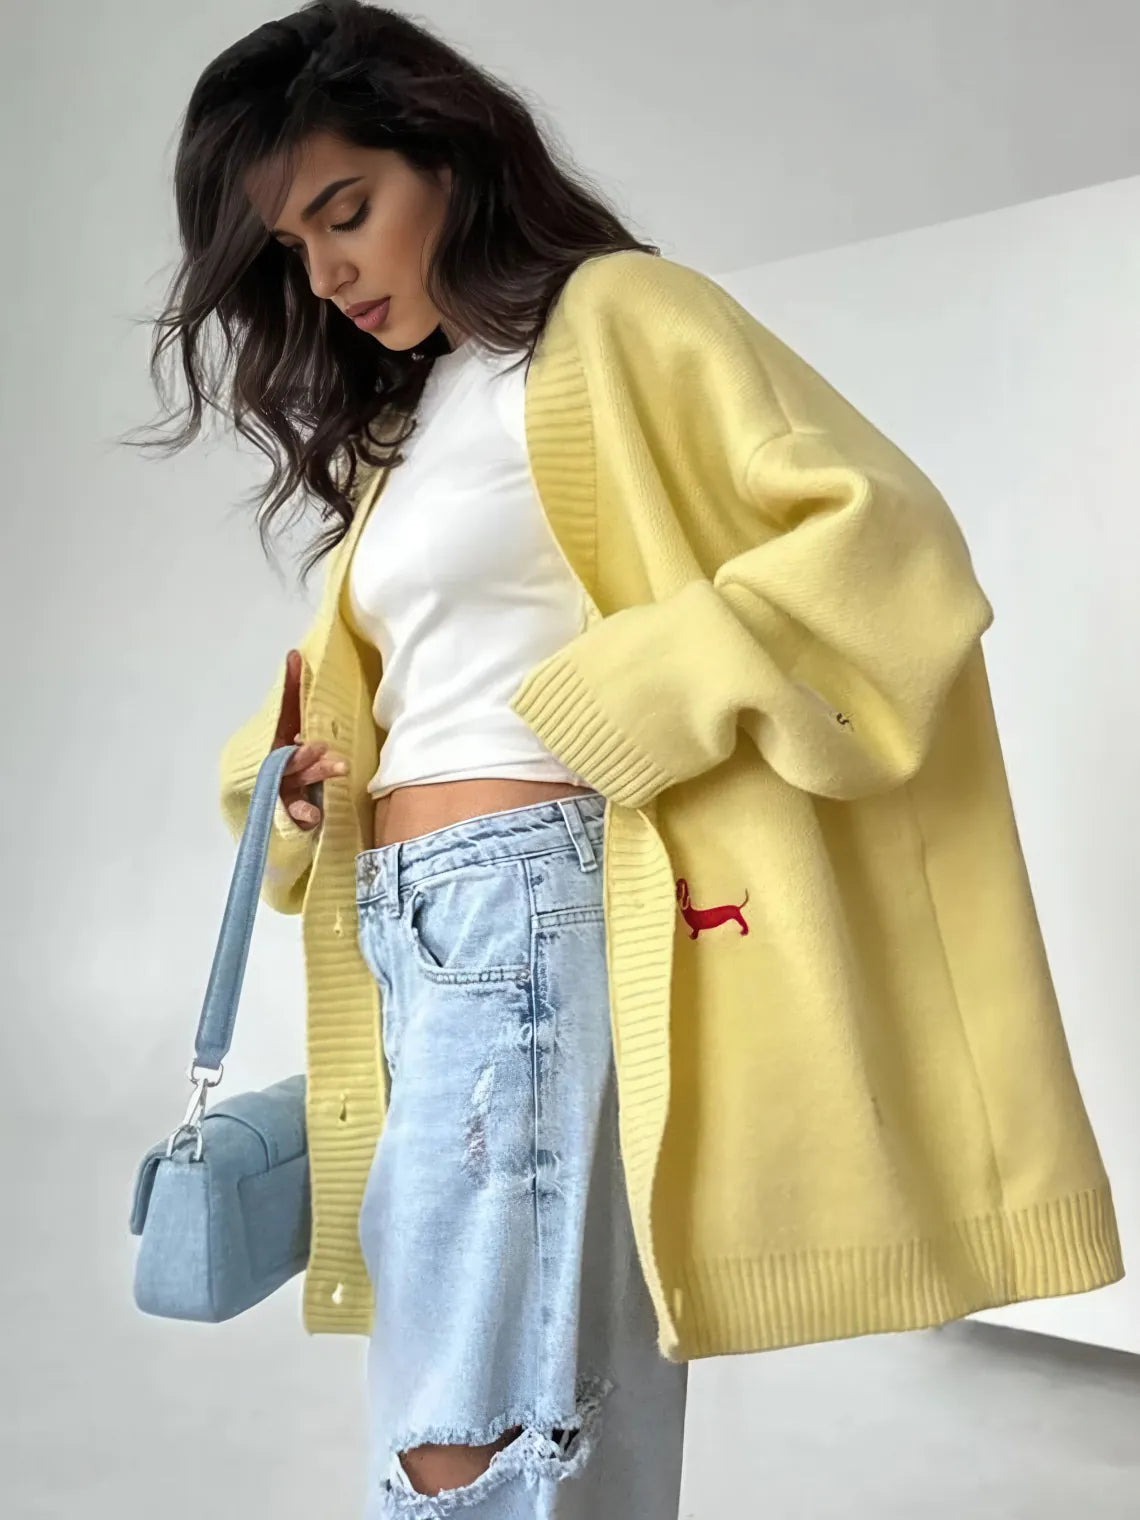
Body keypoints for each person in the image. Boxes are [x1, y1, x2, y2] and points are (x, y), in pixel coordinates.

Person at [136, 2, 1124, 1515]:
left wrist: (631, 693)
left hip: (529, 917)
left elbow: (886, 537)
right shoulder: (412, 426)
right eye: (292, 248)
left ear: (449, 161)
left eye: (349, 211)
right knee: (528, 1397)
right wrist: (298, 781)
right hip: (416, 940)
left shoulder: (616, 320)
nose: (328, 273)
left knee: (471, 1430)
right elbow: (399, 683)